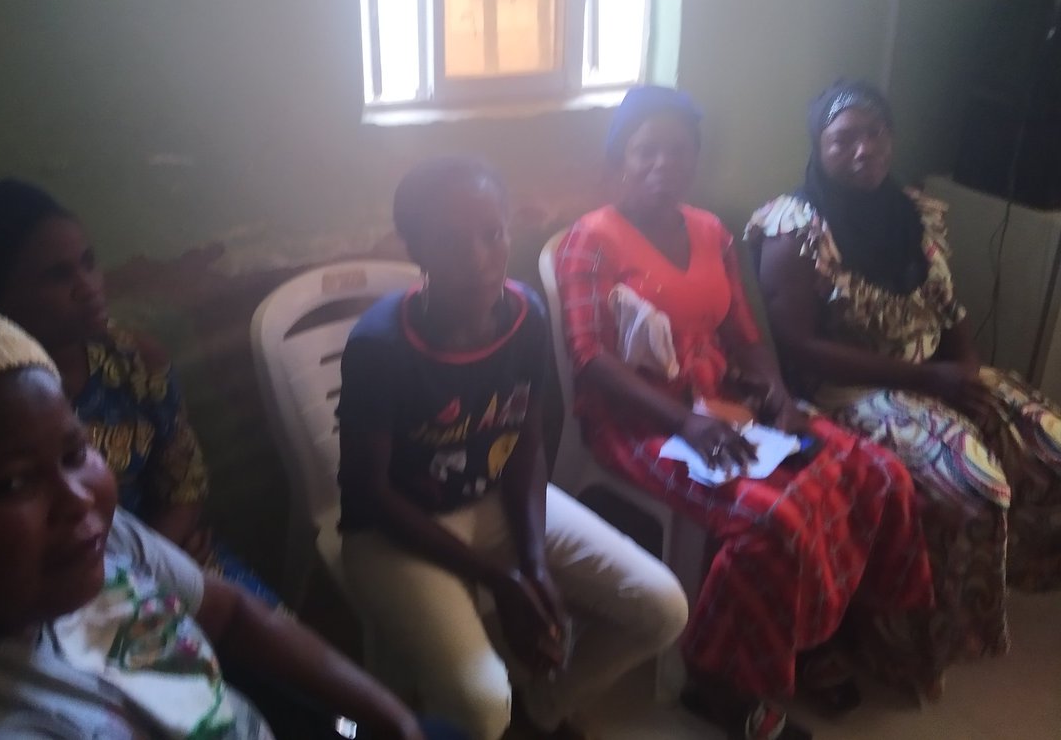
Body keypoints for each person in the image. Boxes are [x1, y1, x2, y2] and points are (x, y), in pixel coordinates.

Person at [0, 299, 465, 740]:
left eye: (74, 452)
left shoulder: (84, 541)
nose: (78, 498)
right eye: (12, 483)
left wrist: (395, 722)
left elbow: (230, 614)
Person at [554, 86, 935, 740]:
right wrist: (686, 423)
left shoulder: (709, 231)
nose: (663, 165)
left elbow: (744, 334)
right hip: (639, 420)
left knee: (876, 472)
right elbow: (591, 360)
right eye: (646, 152)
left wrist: (779, 396)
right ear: (619, 160)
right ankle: (720, 681)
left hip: (723, 401)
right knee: (774, 518)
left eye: (679, 151)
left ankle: (812, 636)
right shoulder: (592, 240)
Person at [336, 157, 688, 740]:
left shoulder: (525, 316)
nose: (478, 260)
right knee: (480, 704)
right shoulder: (382, 346)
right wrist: (501, 580)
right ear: (414, 248)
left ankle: (541, 710)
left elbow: (524, 439)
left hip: (493, 499)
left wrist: (533, 562)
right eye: (451, 242)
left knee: (662, 609)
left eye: (492, 234)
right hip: (394, 529)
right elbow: (370, 493)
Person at [746, 79, 1061, 688]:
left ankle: (1013, 576)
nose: (863, 149)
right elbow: (799, 347)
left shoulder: (912, 213)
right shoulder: (795, 227)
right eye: (844, 139)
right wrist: (927, 379)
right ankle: (915, 644)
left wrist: (969, 374)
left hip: (933, 372)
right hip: (848, 392)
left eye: (876, 134)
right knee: (973, 486)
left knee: (1047, 442)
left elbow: (948, 305)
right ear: (818, 146)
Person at [0, 180, 278, 604]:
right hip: (52, 595)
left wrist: (160, 561)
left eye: (88, 263)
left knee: (270, 630)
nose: (88, 286)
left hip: (169, 552)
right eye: (57, 275)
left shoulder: (135, 361)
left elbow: (184, 483)